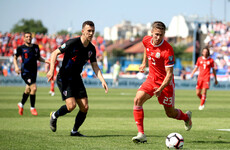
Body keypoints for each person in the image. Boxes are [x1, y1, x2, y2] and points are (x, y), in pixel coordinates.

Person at [132, 21, 192, 143]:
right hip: (151, 79)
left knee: (170, 113)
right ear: (152, 33)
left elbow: (169, 74)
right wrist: (144, 62)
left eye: (161, 35)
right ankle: (141, 134)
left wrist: (160, 88)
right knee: (137, 100)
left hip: (165, 84)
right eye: (156, 34)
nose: (158, 37)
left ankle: (186, 117)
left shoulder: (167, 50)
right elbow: (146, 48)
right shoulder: (146, 40)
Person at [47, 21, 108, 136]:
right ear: (83, 31)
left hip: (76, 78)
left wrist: (102, 80)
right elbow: (54, 53)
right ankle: (54, 115)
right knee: (71, 106)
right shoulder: (72, 42)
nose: (91, 33)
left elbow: (95, 66)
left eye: (93, 31)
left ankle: (74, 131)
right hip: (64, 77)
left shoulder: (91, 49)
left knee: (84, 107)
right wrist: (51, 70)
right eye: (89, 31)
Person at [14, 32, 49, 116]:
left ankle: (21, 104)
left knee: (28, 89)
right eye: (27, 37)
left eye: (30, 37)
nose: (29, 38)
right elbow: (15, 57)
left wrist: (47, 61)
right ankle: (32, 107)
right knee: (34, 88)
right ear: (24, 38)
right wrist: (16, 67)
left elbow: (39, 58)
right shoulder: (21, 48)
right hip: (25, 71)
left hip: (34, 71)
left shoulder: (36, 47)